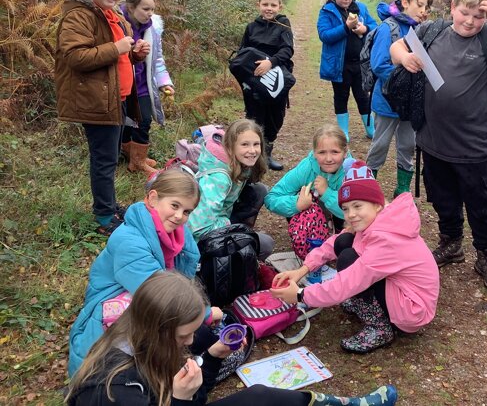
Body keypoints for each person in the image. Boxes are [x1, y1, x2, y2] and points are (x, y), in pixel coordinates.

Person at [66, 271, 398, 406]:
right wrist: (180, 399)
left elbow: (196, 399)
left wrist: (211, 357)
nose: (189, 342)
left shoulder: (145, 342)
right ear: (160, 329)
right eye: (184, 335)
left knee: (260, 396)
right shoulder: (116, 390)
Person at [389, 0, 487, 293]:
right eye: (465, 13)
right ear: (452, 7)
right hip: (432, 140)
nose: (470, 21)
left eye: (479, 16)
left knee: (482, 205)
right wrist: (404, 58)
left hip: (475, 146)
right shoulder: (432, 31)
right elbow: (397, 46)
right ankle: (451, 243)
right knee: (443, 198)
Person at [271, 160, 439, 354]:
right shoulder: (380, 220)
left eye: (357, 206)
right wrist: (303, 270)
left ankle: (380, 328)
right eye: (346, 208)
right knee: (344, 242)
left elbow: (348, 282)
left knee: (348, 260)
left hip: (411, 311)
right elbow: (334, 243)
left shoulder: (387, 241)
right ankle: (366, 304)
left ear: (377, 205)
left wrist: (301, 295)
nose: (351, 214)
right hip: (403, 291)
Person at [68, 169, 223, 376]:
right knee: (195, 331)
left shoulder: (177, 234)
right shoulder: (129, 242)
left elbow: (180, 283)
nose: (179, 216)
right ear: (153, 198)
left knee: (196, 333)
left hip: (150, 299)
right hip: (111, 313)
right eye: (174, 205)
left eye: (187, 211)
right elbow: (159, 294)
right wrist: (205, 313)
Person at [55, 0, 150, 235]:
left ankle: (108, 205)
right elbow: (76, 57)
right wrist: (117, 48)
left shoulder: (114, 15)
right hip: (97, 101)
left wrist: (135, 54)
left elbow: (119, 57)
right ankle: (104, 216)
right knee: (104, 158)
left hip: (117, 99)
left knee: (109, 156)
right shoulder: (79, 15)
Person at [366, 0, 432, 197]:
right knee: (380, 145)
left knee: (407, 145)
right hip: (386, 101)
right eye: (419, 4)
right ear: (405, 2)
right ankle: (367, 187)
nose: (423, 10)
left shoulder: (424, 30)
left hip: (411, 104)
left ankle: (402, 190)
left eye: (427, 7)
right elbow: (378, 65)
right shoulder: (388, 28)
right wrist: (406, 79)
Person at [186, 120, 274, 259]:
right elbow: (198, 227)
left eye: (256, 144)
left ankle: (240, 235)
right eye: (244, 144)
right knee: (265, 244)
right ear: (230, 146)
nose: (252, 150)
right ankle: (220, 262)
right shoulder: (219, 178)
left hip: (220, 217)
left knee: (259, 190)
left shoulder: (239, 163)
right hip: (198, 241)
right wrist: (230, 225)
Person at [119, 0, 174, 176]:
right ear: (131, 7)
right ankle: (128, 153)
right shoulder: (118, 25)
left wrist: (164, 82)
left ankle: (138, 160)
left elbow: (157, 59)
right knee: (126, 121)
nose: (150, 13)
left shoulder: (153, 29)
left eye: (152, 9)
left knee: (143, 120)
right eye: (145, 9)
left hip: (143, 85)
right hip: (123, 83)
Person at [239, 0, 295, 171]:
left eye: (273, 5)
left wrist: (270, 62)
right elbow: (242, 52)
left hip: (277, 78)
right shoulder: (251, 27)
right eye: (265, 4)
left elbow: (287, 50)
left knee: (275, 116)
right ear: (259, 5)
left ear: (279, 6)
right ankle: (252, 156)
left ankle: (267, 153)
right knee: (254, 117)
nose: (269, 8)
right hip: (254, 80)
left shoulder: (284, 25)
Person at [317, 0, 378, 141]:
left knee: (363, 96)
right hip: (339, 65)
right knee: (341, 96)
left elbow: (375, 27)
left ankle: (370, 128)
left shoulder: (361, 8)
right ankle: (343, 132)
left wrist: (365, 29)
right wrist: (346, 27)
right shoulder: (327, 11)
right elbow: (325, 35)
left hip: (360, 63)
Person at [265, 124, 349, 233]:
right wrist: (296, 204)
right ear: (314, 153)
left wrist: (327, 193)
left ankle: (338, 234)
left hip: (345, 226)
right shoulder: (307, 168)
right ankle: (308, 235)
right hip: (313, 223)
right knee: (303, 194)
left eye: (335, 152)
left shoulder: (353, 171)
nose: (328, 159)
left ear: (345, 152)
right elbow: (272, 198)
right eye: (322, 152)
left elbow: (359, 211)